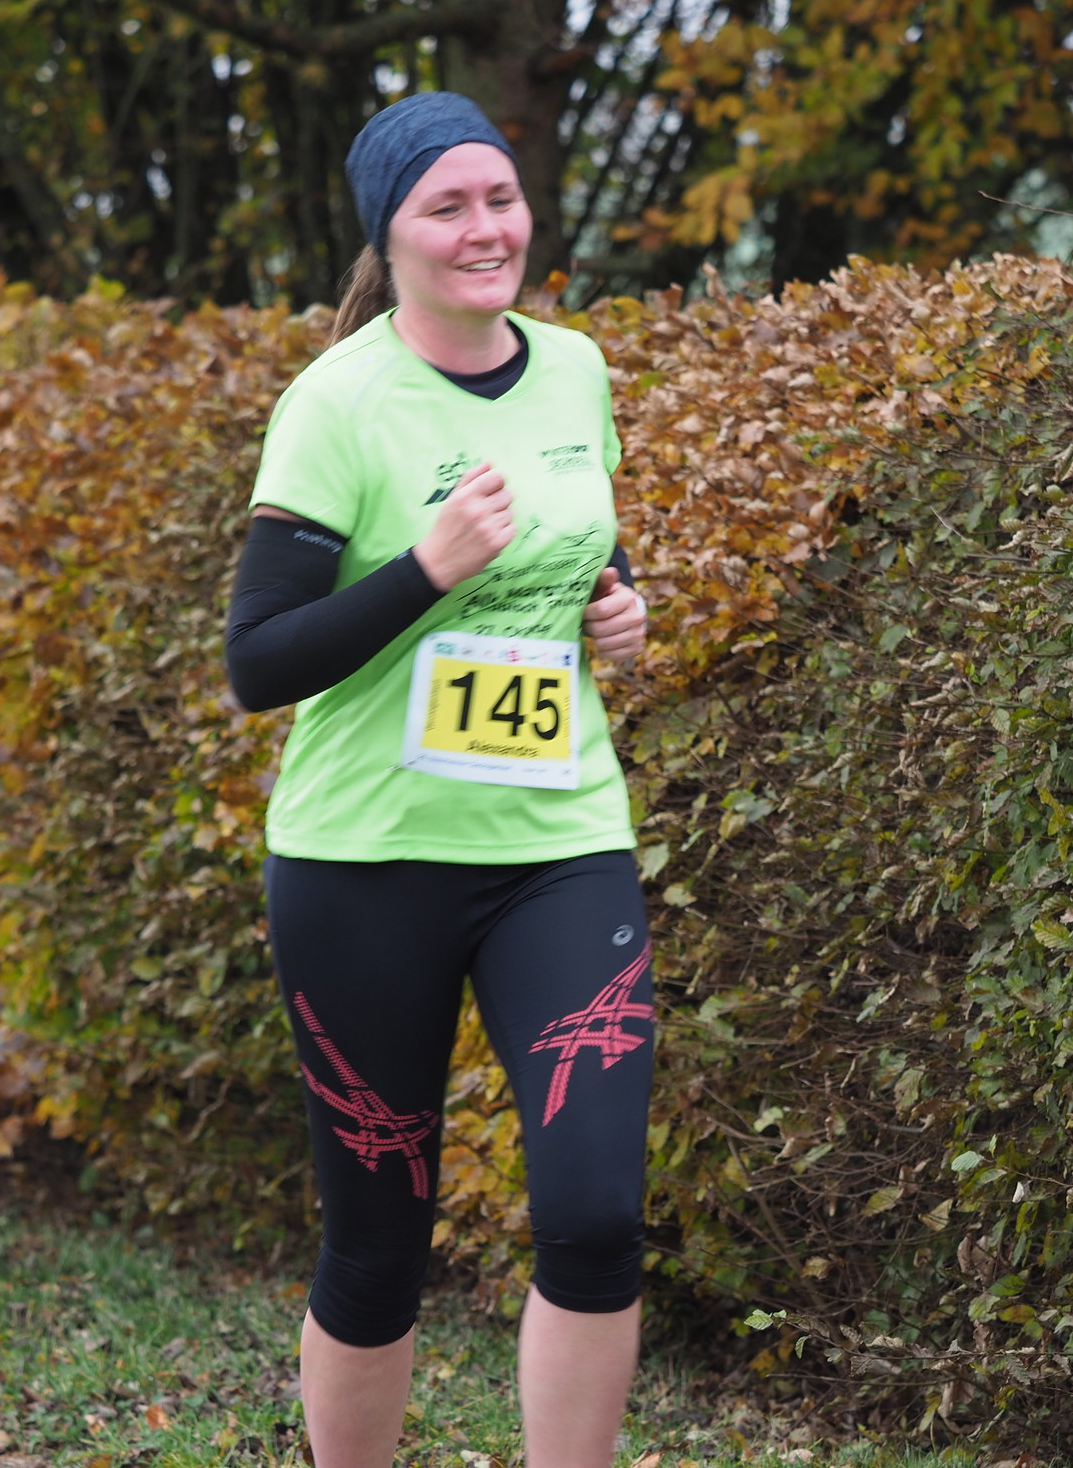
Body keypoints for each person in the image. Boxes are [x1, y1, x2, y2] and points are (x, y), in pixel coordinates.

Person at [223, 91, 653, 1468]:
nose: (485, 229)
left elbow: (582, 539)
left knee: (597, 1218)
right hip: (366, 864)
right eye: (446, 207)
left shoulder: (576, 369)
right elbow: (258, 660)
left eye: (501, 198)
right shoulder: (336, 403)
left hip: (558, 842)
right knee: (378, 1245)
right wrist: (425, 571)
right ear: (390, 237)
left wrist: (617, 605)